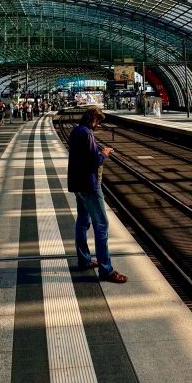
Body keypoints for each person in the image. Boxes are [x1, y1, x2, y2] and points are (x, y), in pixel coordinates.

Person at [66, 107, 127, 284]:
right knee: (102, 225)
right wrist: (104, 153)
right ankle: (106, 270)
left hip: (77, 183)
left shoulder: (77, 131)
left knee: (83, 221)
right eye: (98, 121)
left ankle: (84, 260)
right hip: (89, 185)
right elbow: (94, 161)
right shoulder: (86, 133)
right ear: (93, 119)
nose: (98, 125)